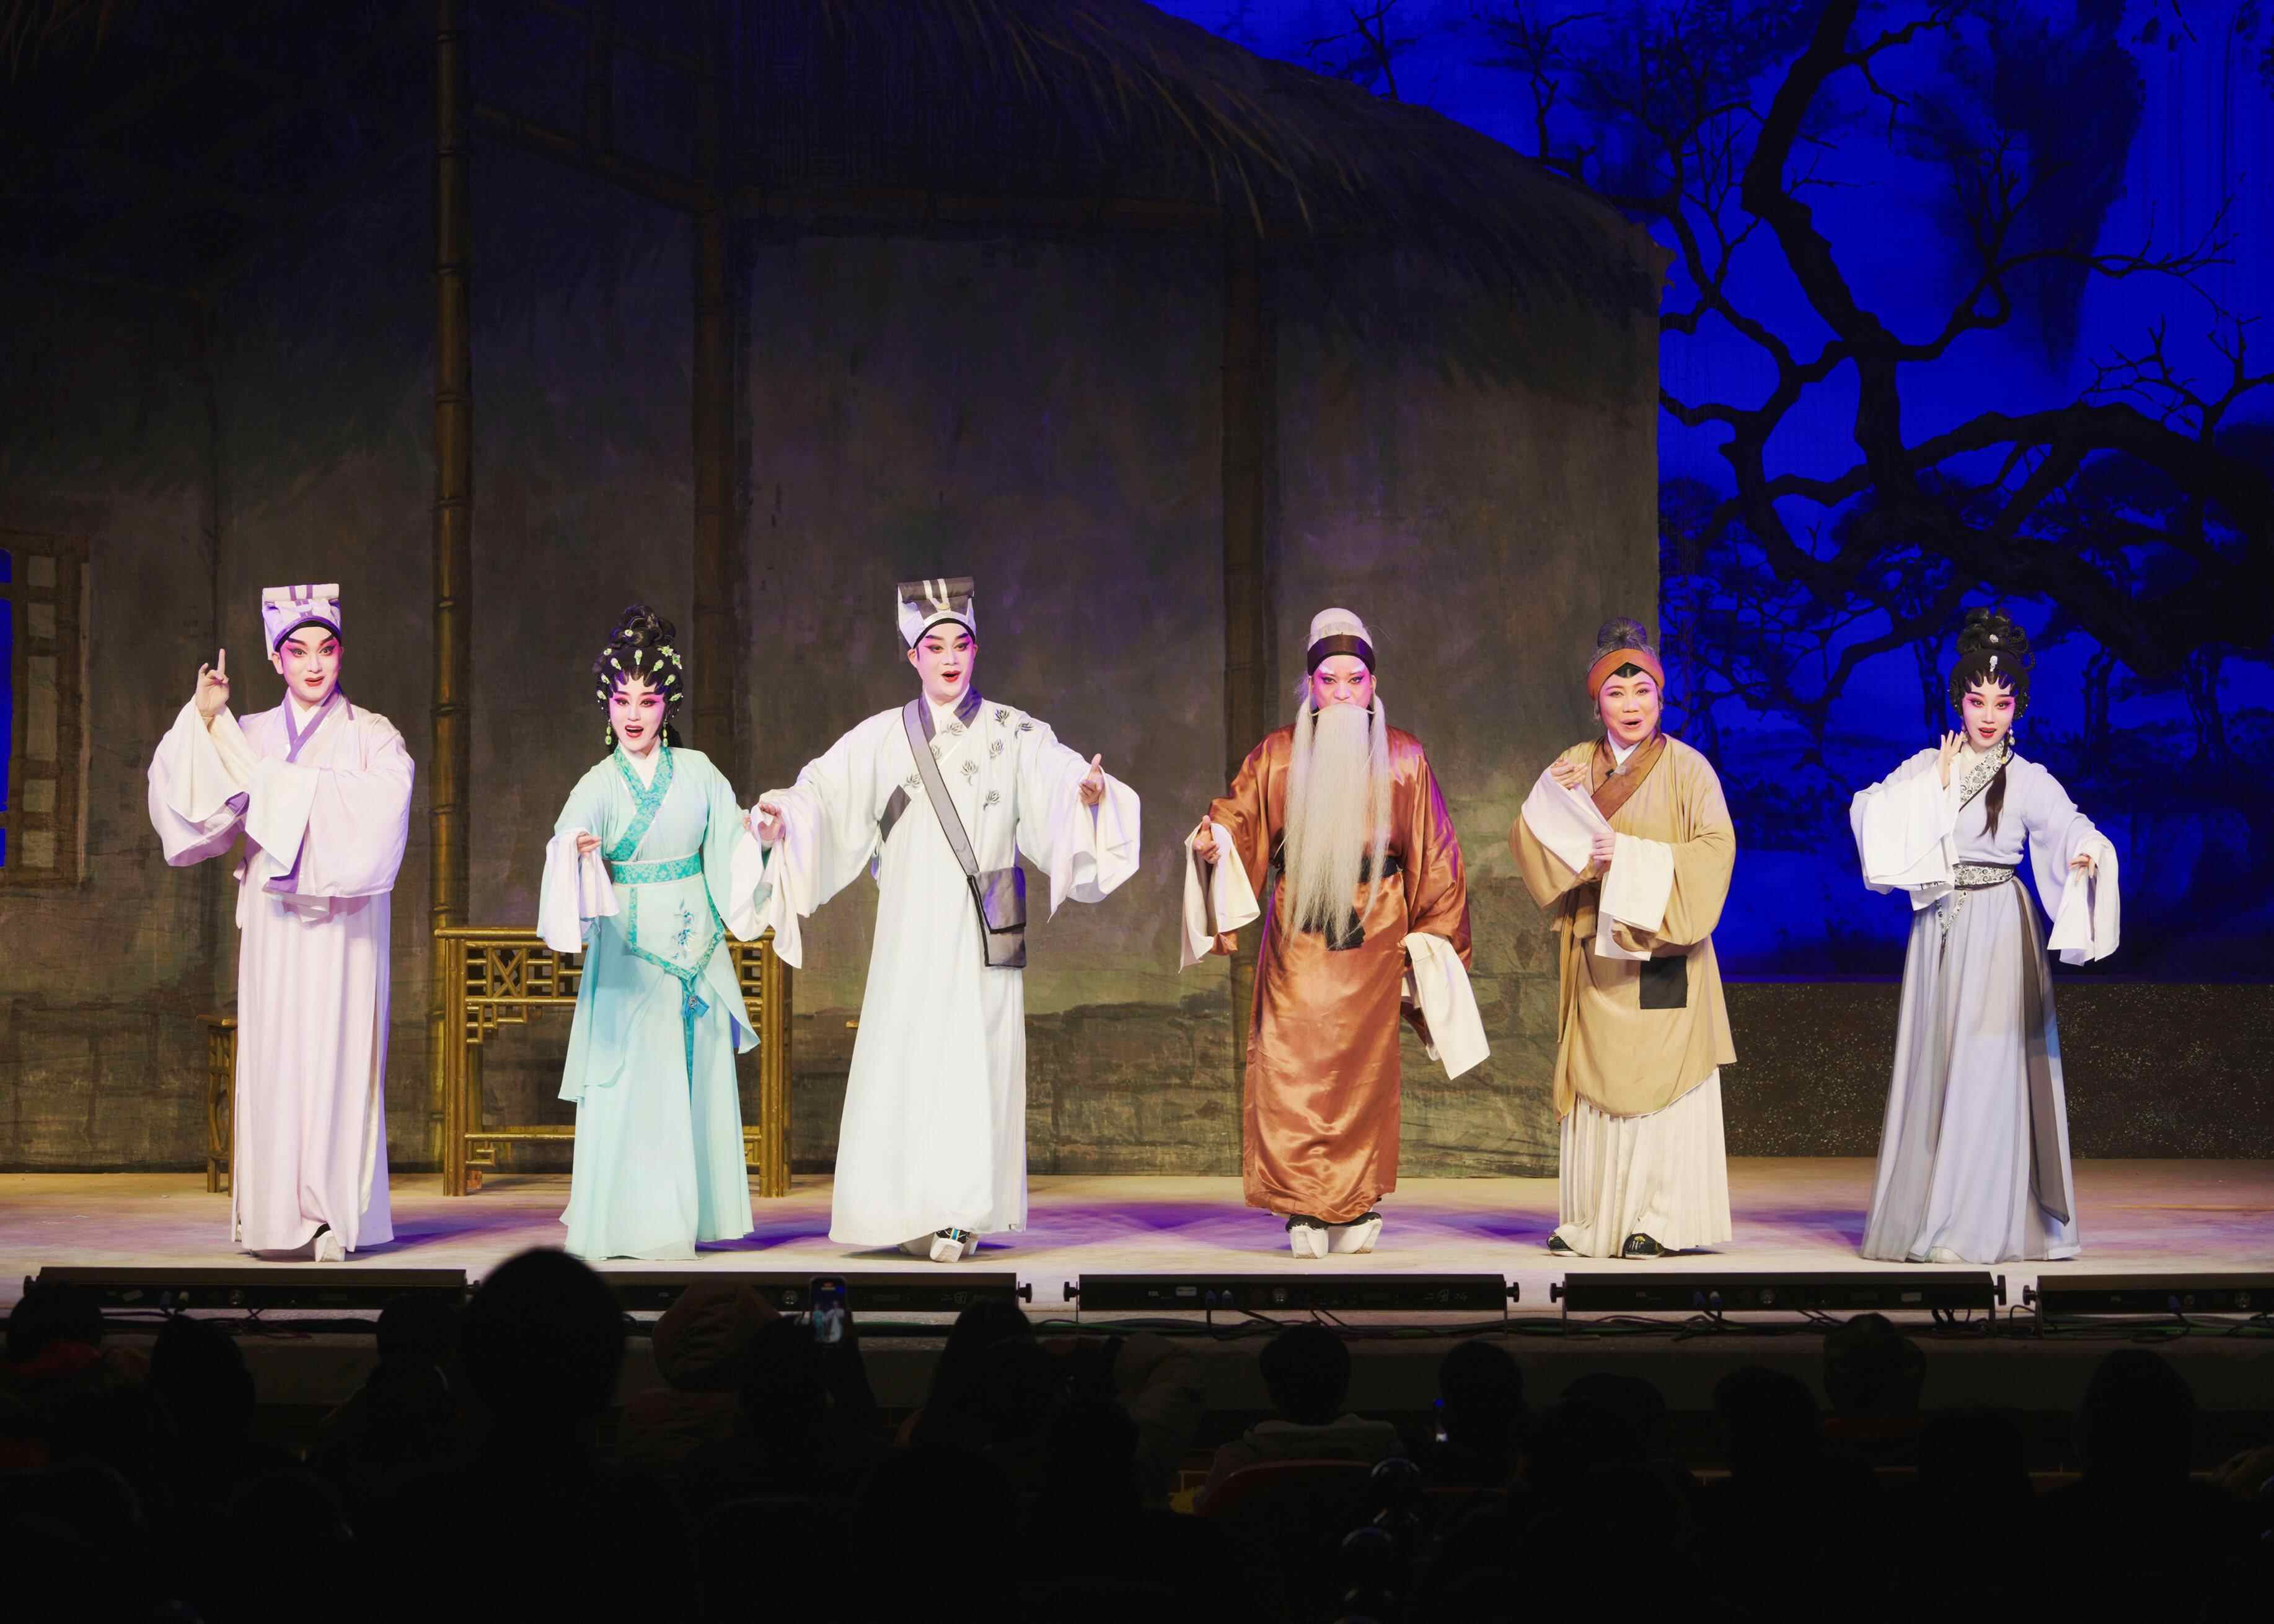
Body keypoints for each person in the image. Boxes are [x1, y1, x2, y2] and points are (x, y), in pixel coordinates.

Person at [738, 577, 1139, 1261]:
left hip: (985, 917)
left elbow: (1060, 776)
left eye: (961, 644)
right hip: (910, 924)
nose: (949, 657)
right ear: (913, 656)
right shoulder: (881, 737)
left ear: (976, 650)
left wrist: (1090, 795)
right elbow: (822, 794)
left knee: (975, 1059)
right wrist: (782, 818)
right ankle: (903, 1206)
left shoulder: (1015, 732)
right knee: (908, 1056)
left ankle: (960, 1211)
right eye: (934, 646)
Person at [1184, 608, 1479, 1258]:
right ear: (1310, 686)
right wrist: (1214, 843)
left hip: (1376, 931)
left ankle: (1356, 1196)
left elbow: (1436, 854)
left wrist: (1431, 942)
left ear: (1373, 684)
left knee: (1363, 1070)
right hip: (1300, 930)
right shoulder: (1277, 754)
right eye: (1328, 680)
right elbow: (1237, 819)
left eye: (1354, 680)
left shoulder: (1404, 757)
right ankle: (1301, 1201)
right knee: (1293, 1063)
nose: (1342, 693)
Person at [146, 584, 412, 1258]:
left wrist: (276, 787)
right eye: (298, 651)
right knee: (278, 1056)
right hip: (274, 920)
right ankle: (273, 1216)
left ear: (342, 653)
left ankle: (335, 1216)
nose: (314, 664)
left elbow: (384, 812)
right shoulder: (253, 733)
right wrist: (205, 720)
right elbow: (195, 809)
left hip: (347, 925)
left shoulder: (373, 735)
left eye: (326, 649)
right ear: (275, 658)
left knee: (339, 1054)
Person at [1851, 608, 2116, 1263]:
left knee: (1987, 1072)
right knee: (1934, 1067)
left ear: (2018, 705)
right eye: (1977, 701)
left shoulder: (2027, 778)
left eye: (2002, 701)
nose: (1989, 715)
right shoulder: (1928, 764)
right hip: (1937, 924)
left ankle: (1974, 1225)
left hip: (1998, 925)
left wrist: (2085, 851)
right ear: (1958, 703)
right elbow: (1868, 812)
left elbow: (2070, 824)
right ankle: (1928, 1217)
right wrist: (1934, 790)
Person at [1511, 618, 1735, 1259]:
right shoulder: (1574, 765)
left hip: (1664, 949)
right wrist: (1556, 808)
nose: (1631, 705)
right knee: (1597, 1079)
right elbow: (1532, 837)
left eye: (1643, 692)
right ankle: (1593, 1218)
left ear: (1661, 698)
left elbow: (1716, 851)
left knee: (1662, 1084)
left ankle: (1659, 1219)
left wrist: (1631, 857)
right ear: (1597, 703)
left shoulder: (1689, 769)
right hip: (1597, 950)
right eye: (1616, 693)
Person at [537, 605, 756, 1261]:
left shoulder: (699, 771)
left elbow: (734, 843)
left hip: (696, 949)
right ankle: (629, 1223)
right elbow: (568, 831)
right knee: (632, 1087)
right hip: (630, 956)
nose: (634, 714)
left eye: (649, 700)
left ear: (668, 706)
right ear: (606, 704)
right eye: (622, 699)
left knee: (692, 1085)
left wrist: (764, 837)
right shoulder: (598, 783)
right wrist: (576, 847)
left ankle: (690, 1219)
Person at [1197, 1323, 1403, 1508]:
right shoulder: (1388, 1457)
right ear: (1344, 1388)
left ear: (1272, 1393)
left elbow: (1208, 1513)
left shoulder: (1236, 1461)